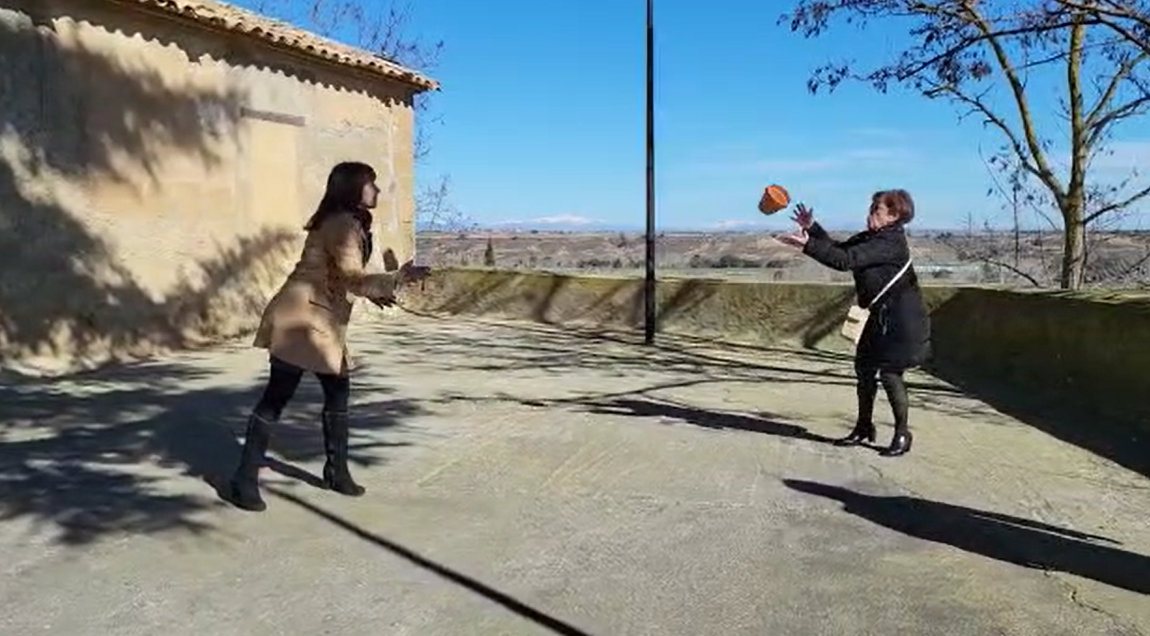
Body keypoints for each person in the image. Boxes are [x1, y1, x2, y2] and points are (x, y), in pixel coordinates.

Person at [226, 161, 430, 511]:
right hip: (302, 318)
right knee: (280, 396)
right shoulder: (342, 224)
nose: (377, 191)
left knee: (332, 391)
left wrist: (378, 292)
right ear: (353, 188)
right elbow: (352, 275)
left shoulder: (346, 221)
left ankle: (335, 472)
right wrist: (396, 278)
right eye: (371, 184)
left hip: (319, 318)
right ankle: (244, 480)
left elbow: (341, 275)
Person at [777, 189, 930, 457]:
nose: (870, 213)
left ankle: (902, 433)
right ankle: (863, 428)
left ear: (894, 215)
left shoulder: (890, 243)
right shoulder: (872, 238)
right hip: (876, 317)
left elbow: (845, 261)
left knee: (891, 374)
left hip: (902, 321)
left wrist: (804, 245)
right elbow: (841, 250)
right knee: (864, 370)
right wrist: (812, 229)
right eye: (871, 208)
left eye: (876, 210)